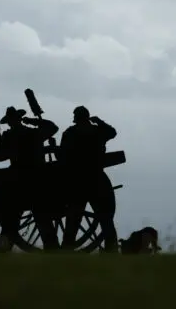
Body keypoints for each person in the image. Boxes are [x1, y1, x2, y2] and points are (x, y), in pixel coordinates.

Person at [0, 106, 60, 251]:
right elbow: (53, 127)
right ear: (20, 119)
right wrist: (32, 121)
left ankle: (0, 254)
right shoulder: (33, 133)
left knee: (7, 223)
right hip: (37, 182)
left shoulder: (9, 137)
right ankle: (54, 252)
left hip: (16, 184)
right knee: (44, 222)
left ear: (9, 122)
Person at [60, 106, 119, 252]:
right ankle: (111, 251)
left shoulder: (70, 133)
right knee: (106, 220)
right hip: (98, 178)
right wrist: (99, 121)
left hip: (78, 181)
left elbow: (61, 157)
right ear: (87, 117)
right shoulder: (98, 131)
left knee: (73, 220)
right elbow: (112, 132)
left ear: (76, 118)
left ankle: (66, 251)